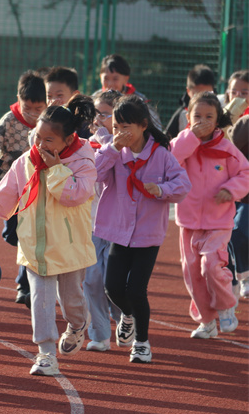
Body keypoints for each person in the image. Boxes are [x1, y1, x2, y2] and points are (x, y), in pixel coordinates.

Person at [0, 95, 98, 377]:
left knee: (71, 301)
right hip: (35, 247)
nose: (40, 144)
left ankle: (78, 324)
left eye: (49, 139)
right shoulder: (27, 160)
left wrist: (54, 170)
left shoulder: (83, 161)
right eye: (37, 136)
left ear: (68, 140)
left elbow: (74, 195)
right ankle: (46, 353)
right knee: (40, 300)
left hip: (70, 248)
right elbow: (5, 193)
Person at [94, 95, 191, 363]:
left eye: (126, 127)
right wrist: (112, 147)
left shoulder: (161, 155)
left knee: (137, 290)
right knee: (112, 287)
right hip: (119, 231)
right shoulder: (114, 153)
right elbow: (95, 174)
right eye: (116, 127)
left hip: (147, 235)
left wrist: (160, 189)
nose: (120, 133)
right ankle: (127, 315)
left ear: (143, 125)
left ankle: (142, 342)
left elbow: (183, 185)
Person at [170, 92, 249, 338]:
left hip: (218, 222)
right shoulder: (182, 144)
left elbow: (245, 174)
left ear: (217, 121)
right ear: (188, 117)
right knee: (193, 276)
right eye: (197, 116)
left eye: (208, 117)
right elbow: (170, 161)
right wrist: (191, 136)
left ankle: (226, 307)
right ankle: (206, 322)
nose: (202, 121)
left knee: (211, 265)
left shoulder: (227, 149)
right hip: (189, 223)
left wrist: (231, 189)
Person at [0, 71, 49, 307]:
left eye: (39, 108)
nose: (33, 113)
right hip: (12, 187)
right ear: (18, 99)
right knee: (13, 235)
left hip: (37, 189)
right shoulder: (9, 120)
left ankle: (24, 286)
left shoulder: (49, 124)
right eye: (28, 108)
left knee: (31, 236)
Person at [84, 89, 123, 351]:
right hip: (91, 225)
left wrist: (109, 141)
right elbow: (91, 174)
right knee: (91, 279)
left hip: (119, 227)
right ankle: (99, 334)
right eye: (96, 114)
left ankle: (124, 323)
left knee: (115, 283)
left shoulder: (129, 147)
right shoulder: (87, 145)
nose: (98, 119)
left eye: (105, 114)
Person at [92, 54, 162, 130]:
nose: (110, 84)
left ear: (126, 79)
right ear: (100, 77)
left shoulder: (138, 101)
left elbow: (156, 128)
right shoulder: (95, 99)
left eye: (115, 79)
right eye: (106, 78)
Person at [165, 65, 216, 140]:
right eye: (197, 116)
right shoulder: (181, 115)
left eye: (207, 94)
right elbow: (168, 143)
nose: (203, 100)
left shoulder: (221, 109)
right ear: (188, 91)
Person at [229, 114, 249, 298]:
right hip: (245, 197)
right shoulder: (245, 123)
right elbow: (233, 141)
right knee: (238, 233)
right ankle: (244, 275)